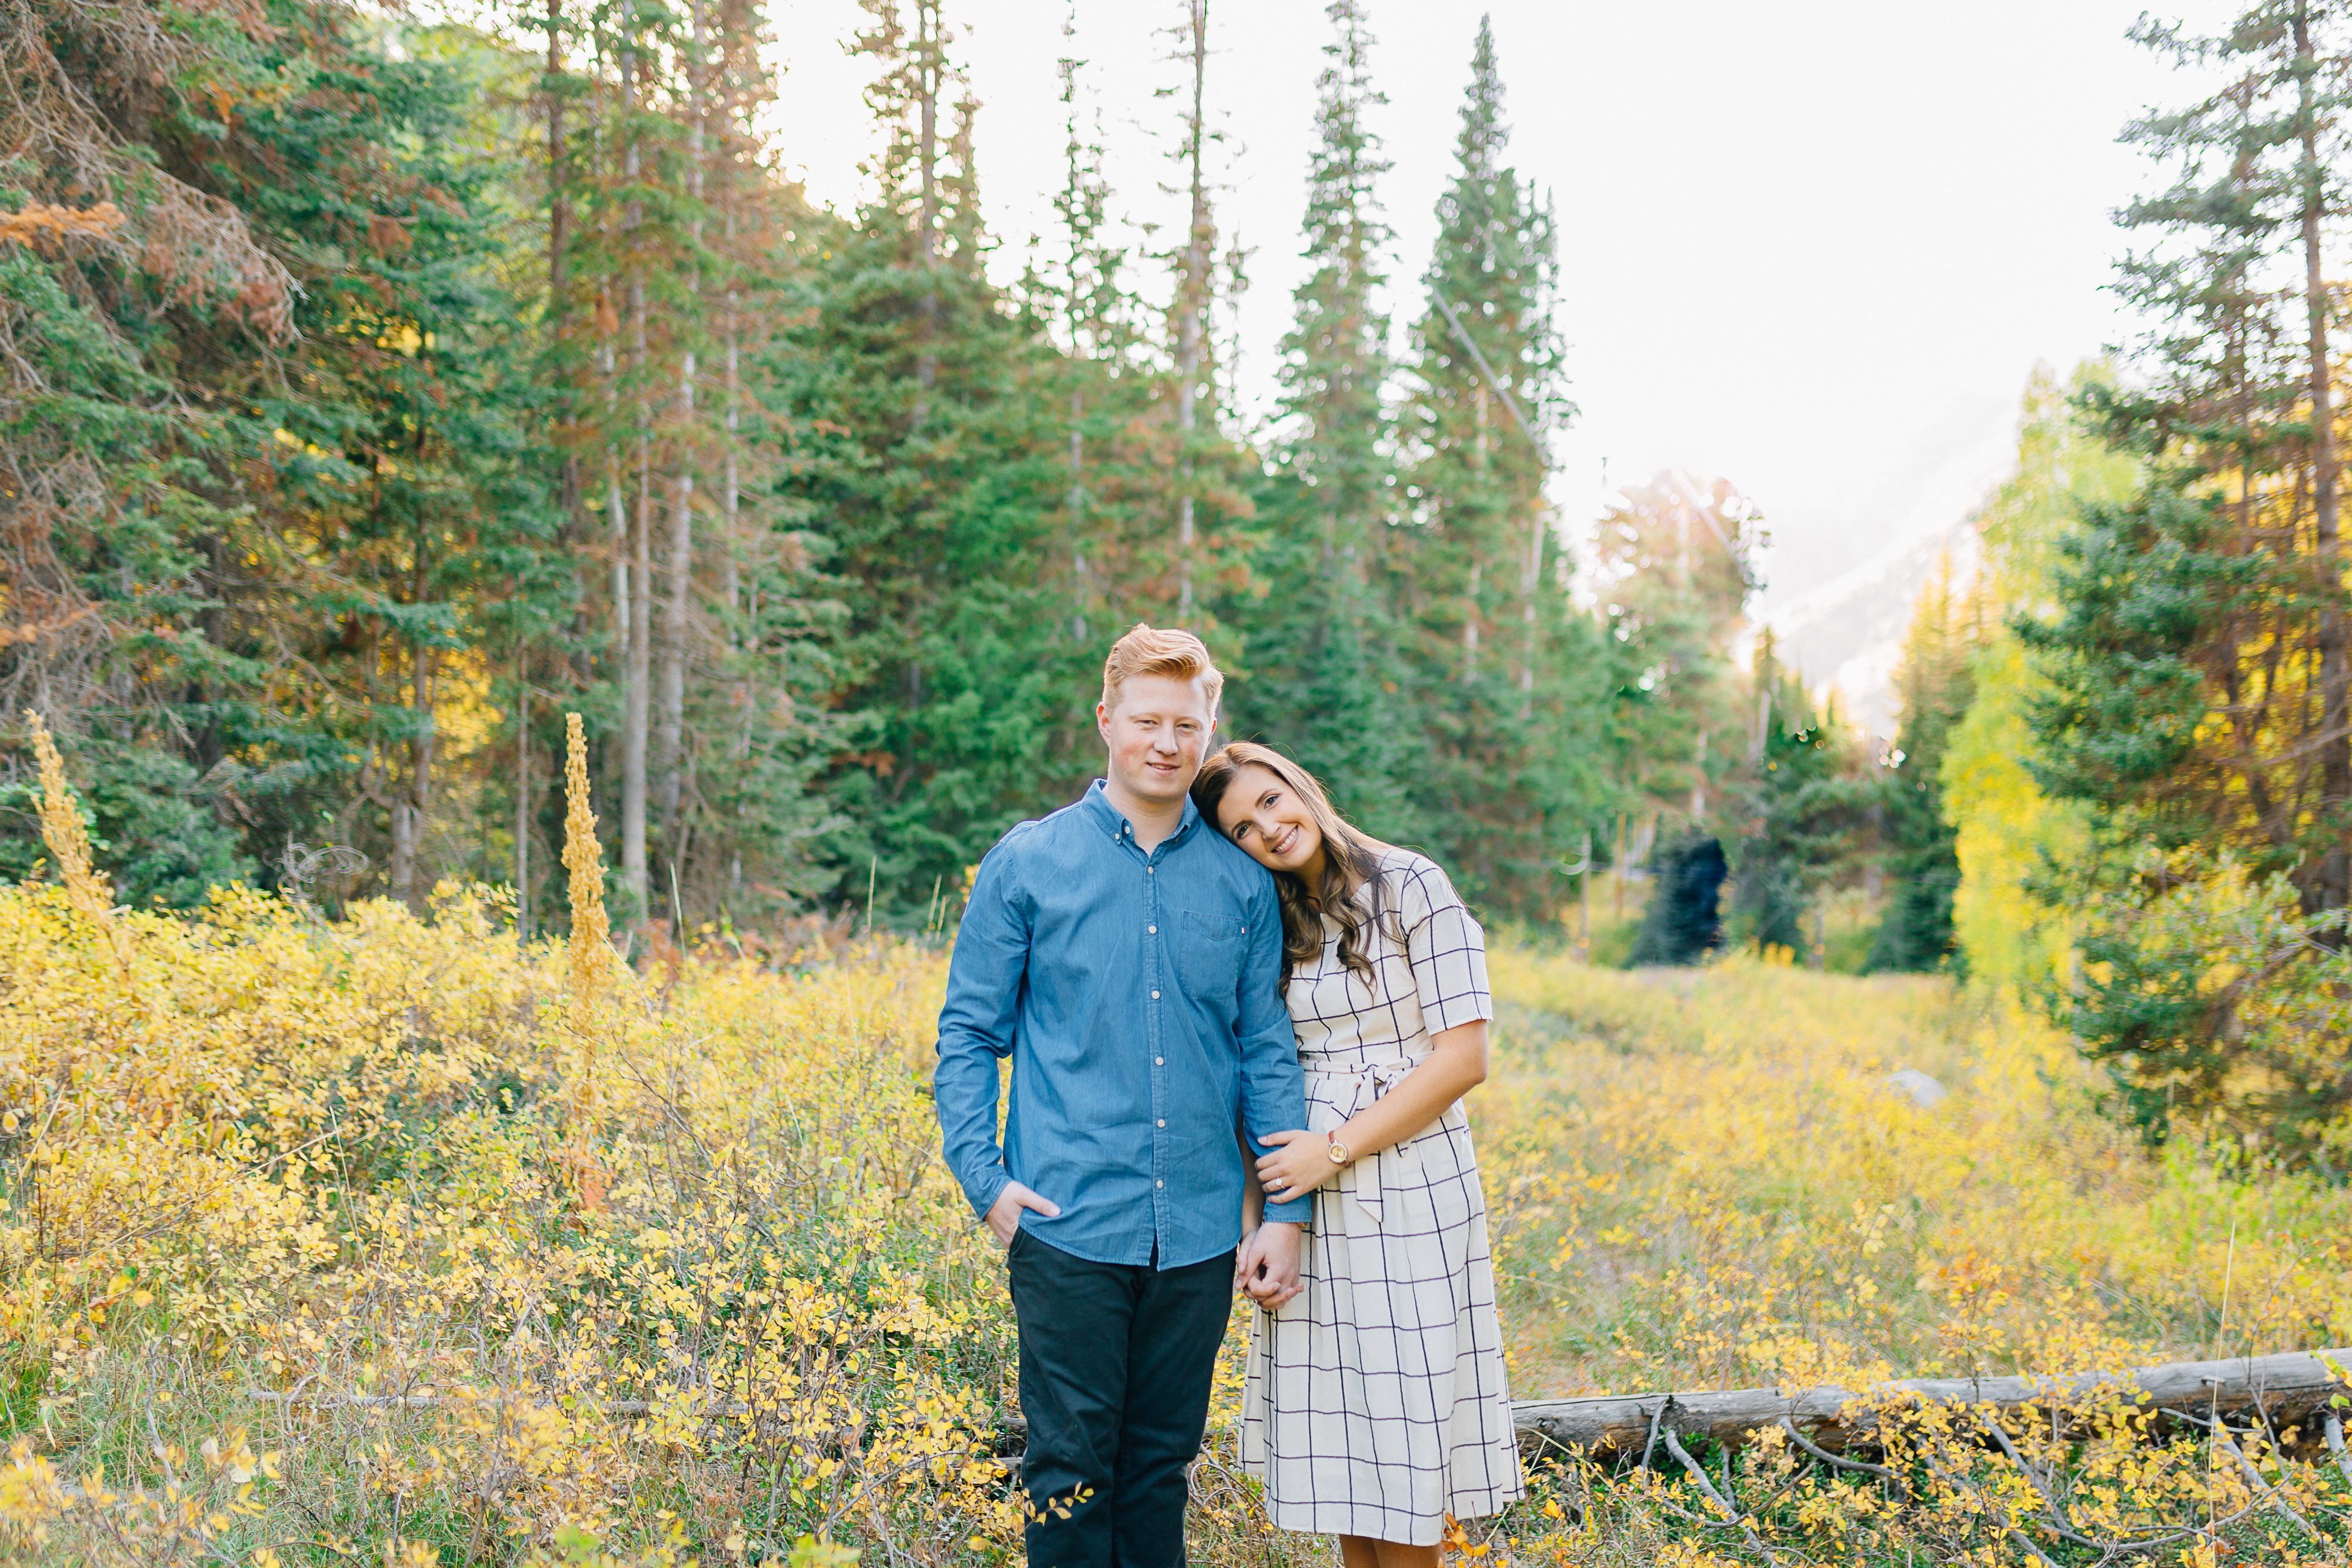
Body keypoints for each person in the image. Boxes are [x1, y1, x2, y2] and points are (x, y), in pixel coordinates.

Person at [933, 626, 1314, 1568]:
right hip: (1065, 1222)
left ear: (1209, 727)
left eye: (1187, 725)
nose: (1167, 743)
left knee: (1159, 1469)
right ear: (1107, 721)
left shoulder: (1241, 881)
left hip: (1197, 1232)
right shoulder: (1028, 862)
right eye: (1147, 720)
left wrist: (1285, 1215)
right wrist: (987, 1182)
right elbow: (970, 1037)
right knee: (1069, 1470)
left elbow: (1265, 1051)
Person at [1190, 741, 1525, 1565]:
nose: (1266, 830)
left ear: (1301, 785)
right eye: (1239, 828)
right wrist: (1261, 1216)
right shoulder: (1274, 917)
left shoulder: (1411, 885)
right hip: (1307, 1191)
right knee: (1349, 1437)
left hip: (1404, 1178)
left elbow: (1464, 1059)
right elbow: (1255, 1067)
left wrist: (1333, 1150)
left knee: (1403, 1422)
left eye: (1271, 802)